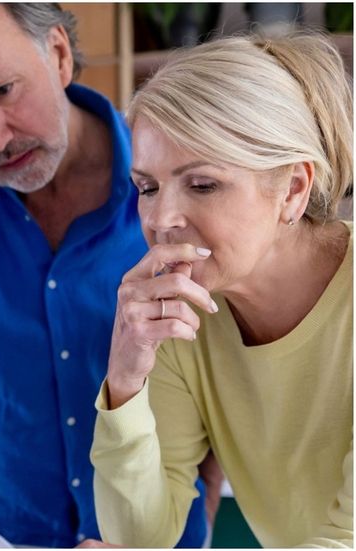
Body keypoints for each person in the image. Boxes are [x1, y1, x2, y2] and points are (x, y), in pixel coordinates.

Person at [0, 3, 209, 546]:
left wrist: (198, 521)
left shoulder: (173, 170)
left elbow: (227, 364)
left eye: (3, 90)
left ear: (58, 54)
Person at [87, 33, 352, 548]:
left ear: (293, 189)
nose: (161, 219)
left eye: (203, 184)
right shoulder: (183, 317)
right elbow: (139, 537)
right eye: (147, 188)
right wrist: (125, 382)